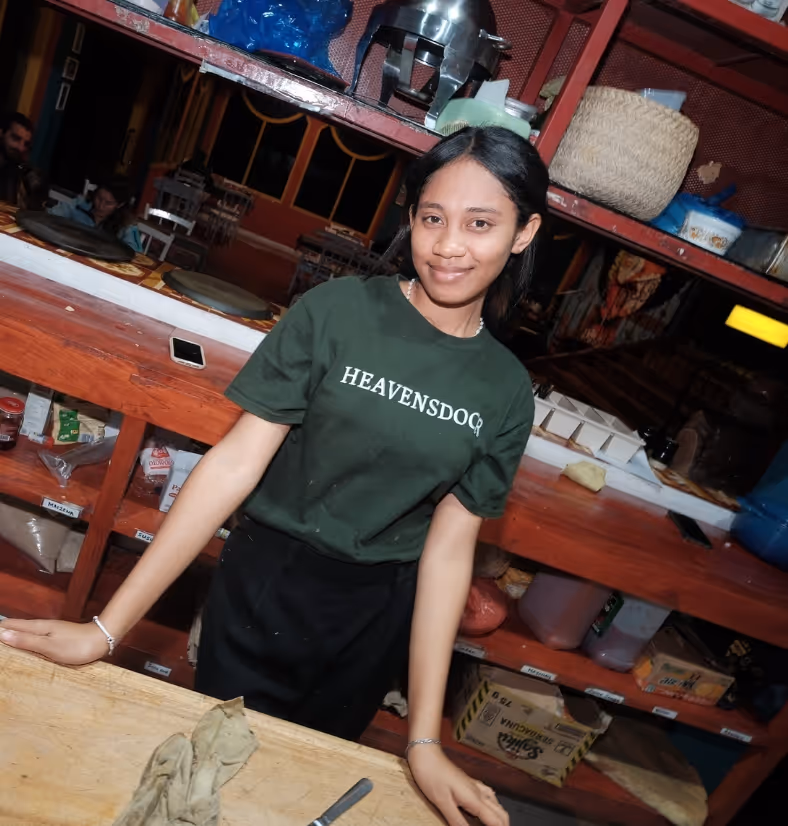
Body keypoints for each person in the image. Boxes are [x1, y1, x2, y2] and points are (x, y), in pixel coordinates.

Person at [0, 126, 548, 826]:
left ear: (524, 233)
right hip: (264, 584)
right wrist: (108, 630)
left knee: (298, 794)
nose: (448, 245)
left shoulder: (504, 390)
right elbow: (232, 465)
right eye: (432, 217)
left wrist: (424, 739)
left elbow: (448, 550)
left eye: (481, 224)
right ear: (410, 216)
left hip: (371, 618)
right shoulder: (336, 314)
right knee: (211, 775)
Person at [48, 177, 143, 252]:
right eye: (99, 198)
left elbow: (134, 253)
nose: (100, 206)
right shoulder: (79, 205)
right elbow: (49, 217)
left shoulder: (126, 224)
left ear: (120, 205)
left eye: (108, 203)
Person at [0, 111, 46, 210]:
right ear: (2, 133)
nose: (21, 148)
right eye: (15, 138)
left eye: (26, 144)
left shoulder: (17, 170)